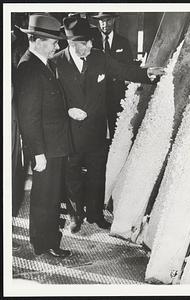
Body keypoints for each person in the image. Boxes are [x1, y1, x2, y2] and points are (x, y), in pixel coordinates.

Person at [52, 16, 164, 233]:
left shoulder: (99, 58)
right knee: (72, 174)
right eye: (86, 44)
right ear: (72, 44)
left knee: (97, 173)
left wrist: (148, 73)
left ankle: (95, 214)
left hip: (95, 131)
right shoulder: (56, 62)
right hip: (70, 132)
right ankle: (76, 216)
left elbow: (124, 71)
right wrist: (67, 110)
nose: (91, 46)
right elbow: (52, 99)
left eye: (91, 42)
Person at [15, 14, 71, 258]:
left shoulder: (43, 63)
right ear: (36, 40)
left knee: (51, 195)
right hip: (45, 148)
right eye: (52, 42)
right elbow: (29, 117)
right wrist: (38, 153)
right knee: (43, 197)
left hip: (54, 145)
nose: (56, 46)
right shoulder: (29, 68)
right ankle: (43, 244)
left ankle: (49, 241)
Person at [92, 12, 134, 142]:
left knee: (115, 128)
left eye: (108, 20)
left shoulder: (123, 42)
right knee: (96, 129)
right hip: (97, 94)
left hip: (116, 94)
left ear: (114, 20)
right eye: (101, 21)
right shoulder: (93, 43)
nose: (104, 24)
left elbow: (129, 68)